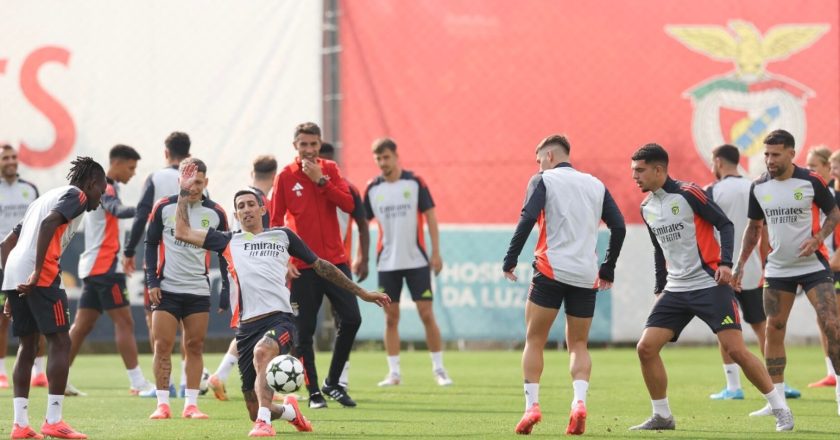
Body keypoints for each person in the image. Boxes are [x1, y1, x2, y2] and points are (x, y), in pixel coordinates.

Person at [173, 161, 390, 436]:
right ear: (236, 214)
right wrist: (182, 192)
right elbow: (181, 232)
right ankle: (287, 412)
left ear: (263, 208)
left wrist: (362, 292)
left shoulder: (283, 235)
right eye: (240, 206)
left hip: (280, 319)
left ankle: (265, 425)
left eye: (251, 204)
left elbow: (321, 265)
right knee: (252, 407)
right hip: (246, 327)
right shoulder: (228, 241)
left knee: (263, 352)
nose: (246, 209)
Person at [629, 143, 792, 432]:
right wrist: (659, 286)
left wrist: (726, 264)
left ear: (659, 169)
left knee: (736, 350)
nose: (635, 176)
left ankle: (781, 409)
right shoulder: (646, 207)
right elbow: (658, 251)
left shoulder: (689, 193)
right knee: (646, 348)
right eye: (633, 171)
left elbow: (725, 224)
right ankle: (662, 416)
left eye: (640, 170)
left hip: (709, 285)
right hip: (675, 289)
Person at [503, 135, 626, 435]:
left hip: (550, 269)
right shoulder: (595, 184)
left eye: (538, 160)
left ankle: (532, 406)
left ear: (548, 156)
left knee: (534, 339)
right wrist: (607, 268)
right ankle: (579, 403)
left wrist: (510, 257)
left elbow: (526, 218)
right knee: (579, 344)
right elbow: (619, 226)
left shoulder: (543, 179)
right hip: (585, 275)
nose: (538, 165)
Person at [733, 130, 840, 417]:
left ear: (791, 154)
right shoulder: (758, 188)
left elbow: (834, 213)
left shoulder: (811, 181)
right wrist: (740, 264)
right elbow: (754, 228)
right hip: (779, 269)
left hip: (814, 265)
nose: (769, 159)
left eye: (776, 154)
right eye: (766, 154)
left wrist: (818, 239)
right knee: (773, 329)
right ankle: (776, 400)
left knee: (831, 323)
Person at [2, 156, 107, 439]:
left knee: (27, 346)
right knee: (61, 340)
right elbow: (50, 224)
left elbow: (6, 244)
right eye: (102, 189)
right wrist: (37, 272)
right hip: (41, 274)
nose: (102, 197)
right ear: (91, 183)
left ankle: (20, 425)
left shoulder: (43, 198)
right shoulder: (78, 195)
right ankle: (54, 420)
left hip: (14, 271)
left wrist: (9, 287)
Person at [270, 122, 360, 409]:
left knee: (352, 319)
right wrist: (285, 260)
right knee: (304, 331)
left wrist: (322, 181)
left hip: (335, 262)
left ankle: (332, 383)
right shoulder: (285, 176)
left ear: (320, 145)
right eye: (303, 144)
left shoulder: (330, 170)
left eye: (313, 144)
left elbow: (349, 205)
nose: (308, 149)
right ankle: (313, 393)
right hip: (303, 266)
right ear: (295, 145)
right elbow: (274, 223)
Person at [706, 144, 800, 400]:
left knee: (724, 327)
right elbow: (763, 230)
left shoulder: (712, 191)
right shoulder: (753, 186)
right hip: (753, 268)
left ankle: (733, 387)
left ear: (718, 161)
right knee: (763, 327)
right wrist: (765, 262)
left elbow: (705, 232)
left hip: (721, 269)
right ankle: (779, 381)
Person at [363, 138, 452, 387]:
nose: (383, 163)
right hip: (386, 264)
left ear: (396, 156)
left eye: (386, 157)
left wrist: (436, 252)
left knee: (426, 313)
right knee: (390, 318)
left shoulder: (414, 183)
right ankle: (394, 373)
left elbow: (431, 217)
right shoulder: (372, 188)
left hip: (416, 261)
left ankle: (439, 369)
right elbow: (362, 222)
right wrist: (361, 255)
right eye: (378, 159)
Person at [66, 145, 154, 396]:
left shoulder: (106, 186)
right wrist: (145, 210)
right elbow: (117, 209)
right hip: (104, 267)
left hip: (94, 266)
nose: (133, 173)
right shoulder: (105, 186)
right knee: (124, 322)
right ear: (117, 163)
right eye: (131, 167)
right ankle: (138, 383)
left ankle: (58, 378)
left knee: (82, 326)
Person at [145, 158, 229, 420]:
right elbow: (150, 244)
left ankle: (191, 405)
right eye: (189, 182)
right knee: (162, 346)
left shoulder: (216, 212)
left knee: (194, 345)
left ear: (207, 182)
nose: (193, 188)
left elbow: (226, 253)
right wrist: (152, 281)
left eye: (199, 183)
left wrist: (226, 287)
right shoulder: (164, 207)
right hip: (167, 289)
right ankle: (162, 404)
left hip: (198, 291)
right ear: (180, 180)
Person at [124, 131, 199, 397]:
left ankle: (163, 385)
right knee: (188, 324)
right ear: (188, 154)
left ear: (166, 152)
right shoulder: (199, 181)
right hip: (190, 257)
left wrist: (129, 250)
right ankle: (185, 382)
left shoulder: (156, 177)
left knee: (157, 318)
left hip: (161, 258)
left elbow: (142, 215)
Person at [208, 154, 277, 401]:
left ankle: (221, 375)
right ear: (274, 176)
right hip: (251, 275)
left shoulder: (242, 197)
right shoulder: (259, 202)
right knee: (263, 331)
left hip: (239, 273)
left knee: (253, 332)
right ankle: (265, 387)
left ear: (252, 173)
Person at [319, 142, 370, 389]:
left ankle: (342, 378)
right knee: (301, 325)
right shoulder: (299, 185)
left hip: (340, 264)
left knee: (346, 320)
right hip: (308, 265)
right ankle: (299, 379)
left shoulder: (348, 188)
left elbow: (362, 223)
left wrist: (364, 257)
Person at [0, 144, 40, 390]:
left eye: (14, 157)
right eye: (6, 158)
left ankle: (39, 370)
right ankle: (1, 371)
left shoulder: (30, 189)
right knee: (2, 319)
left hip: (24, 260)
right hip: (0, 264)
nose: (11, 161)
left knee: (37, 314)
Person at [806, 146, 840, 389]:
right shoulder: (818, 193)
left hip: (832, 264)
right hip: (826, 264)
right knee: (824, 318)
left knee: (832, 318)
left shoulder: (829, 196)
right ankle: (832, 372)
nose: (809, 171)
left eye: (813, 166)